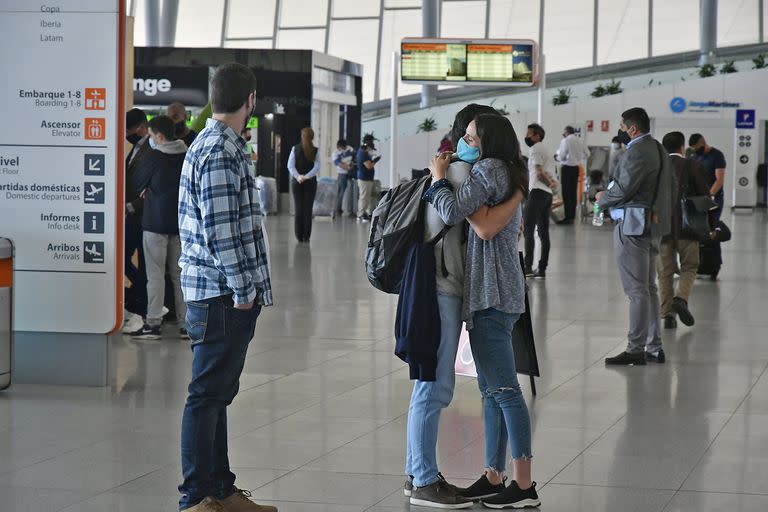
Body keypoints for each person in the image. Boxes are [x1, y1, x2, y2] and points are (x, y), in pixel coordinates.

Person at [405, 104, 525, 509]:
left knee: (440, 385)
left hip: (444, 290)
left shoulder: (468, 173)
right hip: (445, 290)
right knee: (436, 386)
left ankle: (422, 474)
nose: (467, 144)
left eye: (473, 138)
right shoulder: (460, 175)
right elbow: (477, 223)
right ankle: (422, 478)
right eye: (468, 137)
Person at [177, 63, 275, 512]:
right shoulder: (219, 150)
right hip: (220, 295)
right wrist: (243, 291)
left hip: (221, 293)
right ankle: (197, 497)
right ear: (250, 102)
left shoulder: (224, 146)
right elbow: (220, 232)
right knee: (206, 397)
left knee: (216, 396)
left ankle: (220, 491)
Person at [597, 107, 674, 366]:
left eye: (622, 126)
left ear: (632, 129)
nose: (620, 131)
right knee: (649, 288)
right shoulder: (659, 149)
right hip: (652, 227)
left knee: (636, 291)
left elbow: (624, 188)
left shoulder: (637, 151)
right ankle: (654, 346)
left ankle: (635, 348)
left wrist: (602, 198)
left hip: (633, 226)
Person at [128, 115, 188, 341]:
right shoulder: (186, 154)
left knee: (154, 277)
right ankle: (186, 325)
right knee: (180, 276)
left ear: (160, 136)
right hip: (181, 225)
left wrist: (146, 190)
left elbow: (136, 185)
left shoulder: (153, 157)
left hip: (154, 224)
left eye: (151, 136)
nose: (150, 140)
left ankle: (153, 324)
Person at [658, 131, 711, 330]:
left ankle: (668, 316)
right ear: (682, 147)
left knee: (665, 272)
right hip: (689, 227)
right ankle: (681, 298)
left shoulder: (657, 167)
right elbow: (705, 198)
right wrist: (711, 226)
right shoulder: (693, 165)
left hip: (662, 228)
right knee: (689, 266)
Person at [123, 107, 151, 333]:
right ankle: (138, 294)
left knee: (141, 266)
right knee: (124, 260)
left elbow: (151, 187)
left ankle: (141, 304)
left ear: (141, 127)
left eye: (128, 129)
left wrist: (131, 206)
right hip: (131, 216)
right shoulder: (136, 148)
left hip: (142, 216)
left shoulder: (151, 149)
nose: (126, 133)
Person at [523, 123, 558, 279]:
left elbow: (538, 171)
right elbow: (547, 172)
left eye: (529, 134)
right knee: (543, 233)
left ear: (537, 135)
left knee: (528, 229)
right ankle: (542, 268)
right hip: (547, 195)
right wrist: (551, 184)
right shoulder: (546, 149)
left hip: (537, 192)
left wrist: (548, 182)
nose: (527, 136)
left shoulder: (536, 148)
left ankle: (528, 267)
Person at [287, 127, 320, 242]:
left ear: (302, 136)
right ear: (312, 137)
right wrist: (307, 176)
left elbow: (290, 166)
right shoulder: (316, 150)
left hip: (297, 182)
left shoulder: (295, 149)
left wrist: (298, 177)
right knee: (308, 209)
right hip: (311, 183)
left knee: (298, 208)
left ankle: (299, 236)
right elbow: (317, 167)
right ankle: (306, 236)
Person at [689, 133, 726, 221]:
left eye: (696, 147)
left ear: (702, 142)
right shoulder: (695, 156)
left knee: (712, 224)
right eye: (693, 148)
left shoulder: (717, 155)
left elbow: (719, 180)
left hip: (714, 197)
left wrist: (708, 196)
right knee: (699, 225)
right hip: (699, 198)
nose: (695, 150)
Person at [556, 125, 589, 223]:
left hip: (566, 168)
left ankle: (567, 217)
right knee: (573, 193)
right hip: (576, 168)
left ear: (566, 132)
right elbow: (587, 154)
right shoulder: (580, 140)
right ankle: (572, 216)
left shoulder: (565, 140)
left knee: (566, 193)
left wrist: (557, 157)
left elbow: (561, 156)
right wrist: (578, 158)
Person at [356, 134, 379, 221]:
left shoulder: (364, 152)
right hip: (364, 179)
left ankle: (364, 212)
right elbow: (368, 166)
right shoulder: (362, 153)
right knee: (364, 197)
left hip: (367, 178)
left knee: (366, 197)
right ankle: (360, 214)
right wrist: (375, 161)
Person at [332, 139, 355, 215]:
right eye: (341, 148)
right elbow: (339, 163)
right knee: (341, 192)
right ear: (338, 147)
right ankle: (338, 210)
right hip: (342, 174)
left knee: (351, 191)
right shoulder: (335, 153)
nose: (343, 149)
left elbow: (354, 158)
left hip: (351, 173)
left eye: (344, 148)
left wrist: (351, 166)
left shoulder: (349, 148)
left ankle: (351, 210)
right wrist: (348, 167)